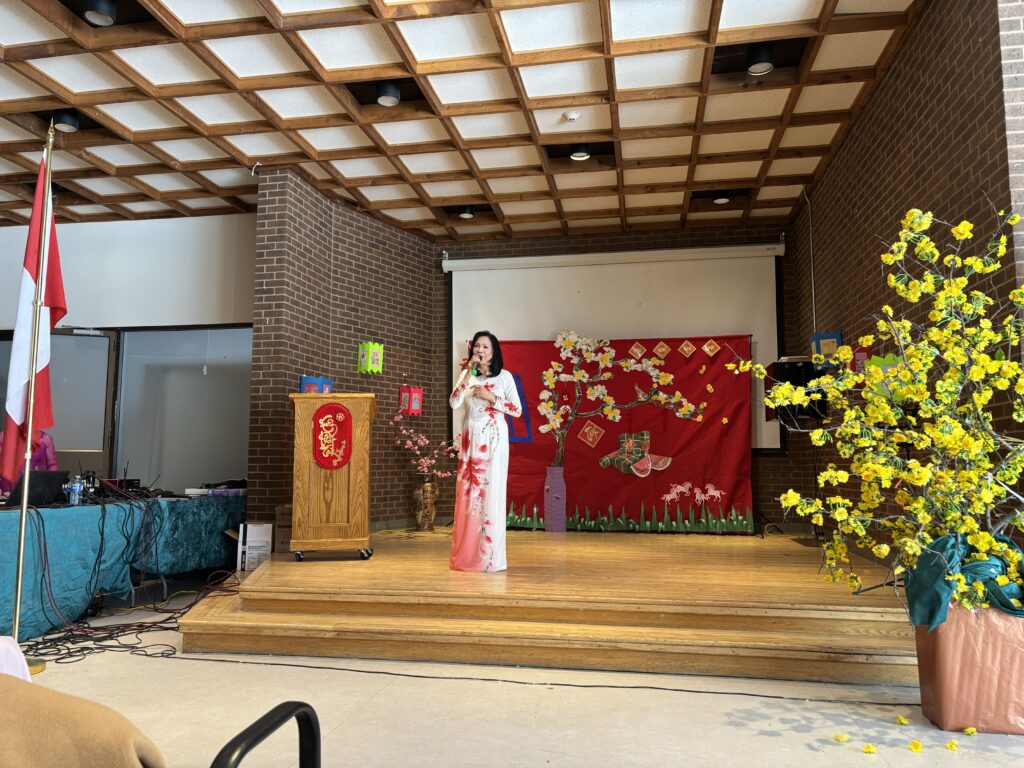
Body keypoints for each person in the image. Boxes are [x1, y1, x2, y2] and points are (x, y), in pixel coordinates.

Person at [448, 331, 522, 572]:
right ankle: (467, 556)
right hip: (471, 441)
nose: (480, 350)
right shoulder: (467, 375)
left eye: (485, 347)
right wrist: (467, 373)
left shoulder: (505, 377)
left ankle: (490, 558)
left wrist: (492, 397)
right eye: (477, 346)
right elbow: (454, 402)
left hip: (494, 441)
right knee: (468, 495)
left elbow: (517, 410)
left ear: (494, 351)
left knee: (491, 493)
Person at [0, 429, 58, 496]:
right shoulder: (3, 436)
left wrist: (50, 488)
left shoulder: (45, 438)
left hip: (37, 490)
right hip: (7, 492)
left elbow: (52, 465)